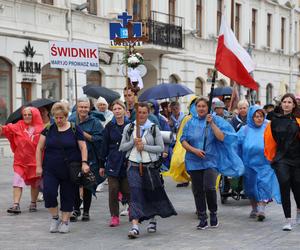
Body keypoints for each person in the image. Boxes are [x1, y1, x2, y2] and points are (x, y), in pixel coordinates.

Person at [180, 97, 244, 230]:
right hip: (193, 160)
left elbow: (222, 137)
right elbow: (183, 140)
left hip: (211, 160)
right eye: (199, 106)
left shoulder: (216, 120)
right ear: (196, 108)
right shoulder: (190, 122)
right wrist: (194, 150)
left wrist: (212, 124)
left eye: (204, 106)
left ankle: (213, 213)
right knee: (197, 190)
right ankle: (202, 217)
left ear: (209, 108)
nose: (202, 108)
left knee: (209, 187)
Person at [120, 102, 177, 239]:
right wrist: (133, 142)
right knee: (135, 195)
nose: (141, 115)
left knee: (151, 193)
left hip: (150, 166)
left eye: (144, 113)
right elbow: (122, 147)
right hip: (133, 165)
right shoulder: (129, 128)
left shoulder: (153, 128)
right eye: (139, 112)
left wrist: (144, 146)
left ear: (148, 113)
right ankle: (135, 226)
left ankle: (152, 219)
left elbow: (160, 148)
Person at [35, 102, 89, 233]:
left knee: (67, 195)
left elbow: (83, 147)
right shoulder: (48, 129)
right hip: (50, 169)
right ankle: (55, 217)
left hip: (70, 169)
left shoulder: (75, 129)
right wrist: (38, 166)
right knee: (48, 193)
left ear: (66, 116)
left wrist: (84, 162)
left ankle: (65, 221)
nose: (58, 120)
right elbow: (39, 148)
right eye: (56, 117)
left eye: (61, 118)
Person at [237, 106, 281, 221]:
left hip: (265, 164)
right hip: (249, 164)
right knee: (251, 188)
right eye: (256, 116)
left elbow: (277, 141)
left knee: (264, 186)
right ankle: (254, 207)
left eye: (261, 116)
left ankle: (261, 209)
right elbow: (237, 146)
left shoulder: (269, 127)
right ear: (252, 117)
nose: (259, 119)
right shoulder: (244, 130)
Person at [264, 93, 300, 231]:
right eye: (284, 101)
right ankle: (287, 220)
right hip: (281, 159)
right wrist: (271, 157)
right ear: (281, 104)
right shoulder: (274, 121)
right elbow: (269, 140)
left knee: (297, 187)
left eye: (289, 102)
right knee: (284, 183)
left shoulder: (298, 121)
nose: (286, 104)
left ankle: (298, 211)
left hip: (297, 159)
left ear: (293, 105)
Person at [0, 107, 43, 214]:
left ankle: (33, 202)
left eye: (29, 114)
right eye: (25, 115)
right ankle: (16, 205)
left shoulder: (41, 129)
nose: (27, 116)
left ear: (34, 115)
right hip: (20, 161)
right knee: (17, 181)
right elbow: (5, 129)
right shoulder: (18, 125)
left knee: (35, 183)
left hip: (35, 162)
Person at [68, 97, 104, 222]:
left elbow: (99, 139)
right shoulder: (71, 120)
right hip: (74, 156)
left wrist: (83, 134)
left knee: (87, 184)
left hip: (90, 157)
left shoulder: (95, 122)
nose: (83, 109)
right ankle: (76, 209)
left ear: (89, 108)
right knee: (74, 183)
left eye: (86, 107)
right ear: (77, 108)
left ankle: (86, 212)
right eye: (81, 107)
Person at [99, 100, 130, 227]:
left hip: (127, 162)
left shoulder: (131, 126)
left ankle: (132, 209)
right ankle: (114, 216)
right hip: (112, 162)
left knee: (128, 190)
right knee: (113, 190)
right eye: (115, 109)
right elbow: (104, 146)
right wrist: (101, 164)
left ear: (124, 110)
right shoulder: (109, 127)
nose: (117, 111)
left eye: (119, 108)